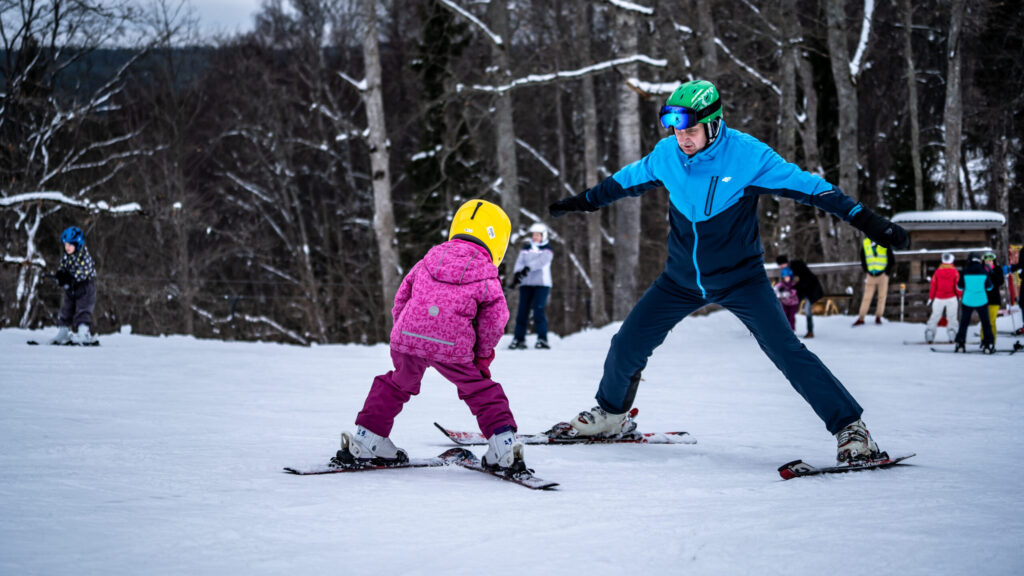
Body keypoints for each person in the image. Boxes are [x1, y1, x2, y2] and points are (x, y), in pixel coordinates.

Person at [547, 79, 909, 464]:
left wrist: (867, 220)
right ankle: (611, 416)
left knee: (786, 350)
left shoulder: (747, 156)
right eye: (676, 129)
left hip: (741, 280)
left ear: (714, 123)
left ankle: (851, 429)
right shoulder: (667, 154)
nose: (682, 138)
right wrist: (585, 201)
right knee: (627, 342)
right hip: (680, 281)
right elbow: (625, 180)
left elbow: (812, 188)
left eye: (691, 130)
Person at [335, 199, 530, 475]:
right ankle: (503, 446)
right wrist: (482, 355)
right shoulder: (487, 274)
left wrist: (402, 337)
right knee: (481, 390)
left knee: (395, 384)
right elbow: (495, 320)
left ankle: (367, 439)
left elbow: (402, 296)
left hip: (410, 335)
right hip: (454, 346)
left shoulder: (428, 259)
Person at [508, 222, 555, 350]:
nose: (535, 237)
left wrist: (527, 268)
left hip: (542, 284)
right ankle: (518, 339)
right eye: (534, 235)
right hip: (526, 284)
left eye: (538, 235)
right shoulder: (526, 248)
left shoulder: (547, 250)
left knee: (538, 311)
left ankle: (542, 339)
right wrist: (518, 274)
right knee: (522, 311)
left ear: (543, 236)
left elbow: (541, 262)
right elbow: (519, 262)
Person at [50, 226, 98, 345]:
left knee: (83, 309)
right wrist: (60, 276)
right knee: (66, 309)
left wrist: (71, 277)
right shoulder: (67, 257)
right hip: (71, 288)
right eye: (66, 244)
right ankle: (64, 331)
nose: (67, 248)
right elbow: (62, 267)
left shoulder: (84, 257)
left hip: (85, 287)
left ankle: (84, 332)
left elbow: (85, 271)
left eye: (70, 245)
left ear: (78, 244)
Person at [953, 254, 994, 354]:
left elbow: (959, 287)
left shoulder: (965, 271)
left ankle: (960, 344)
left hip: (968, 300)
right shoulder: (984, 271)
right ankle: (988, 345)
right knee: (985, 323)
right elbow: (989, 287)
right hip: (982, 301)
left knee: (964, 323)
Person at [776, 254, 824, 338]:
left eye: (781, 265)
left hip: (810, 290)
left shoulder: (797, 265)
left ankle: (810, 331)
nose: (781, 267)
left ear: (785, 262)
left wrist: (793, 286)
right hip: (800, 292)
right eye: (780, 266)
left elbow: (805, 280)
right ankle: (789, 330)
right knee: (790, 309)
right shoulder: (787, 270)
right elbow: (788, 283)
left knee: (807, 309)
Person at [853, 237, 895, 326]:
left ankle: (878, 317)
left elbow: (891, 258)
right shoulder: (866, 243)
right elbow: (863, 257)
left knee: (882, 297)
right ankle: (861, 318)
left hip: (883, 274)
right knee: (867, 297)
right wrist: (866, 270)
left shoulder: (885, 242)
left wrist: (886, 272)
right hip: (870, 275)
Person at [924, 252, 961, 344]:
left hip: (938, 298)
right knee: (952, 317)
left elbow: (933, 286)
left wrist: (931, 297)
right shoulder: (955, 272)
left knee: (935, 316)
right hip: (951, 298)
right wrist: (959, 295)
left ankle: (929, 333)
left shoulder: (937, 272)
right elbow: (957, 286)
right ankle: (952, 334)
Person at [982, 251, 1004, 344]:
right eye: (987, 261)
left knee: (991, 322)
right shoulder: (981, 270)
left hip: (994, 299)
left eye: (991, 261)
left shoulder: (998, 269)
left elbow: (1000, 282)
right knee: (984, 322)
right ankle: (983, 341)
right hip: (983, 299)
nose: (989, 262)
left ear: (994, 261)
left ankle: (991, 341)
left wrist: (992, 273)